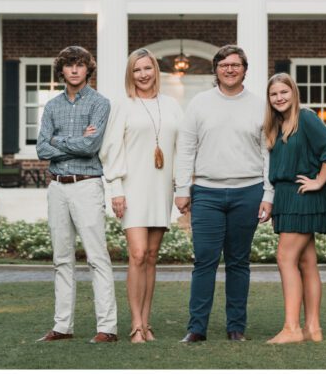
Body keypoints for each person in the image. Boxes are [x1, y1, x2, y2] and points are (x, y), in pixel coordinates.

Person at [173, 44, 273, 343]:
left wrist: (269, 194)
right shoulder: (200, 103)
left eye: (236, 64)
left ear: (244, 69)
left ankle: (236, 328)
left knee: (238, 262)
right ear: (215, 70)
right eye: (224, 65)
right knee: (204, 260)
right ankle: (196, 328)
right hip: (207, 192)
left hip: (248, 191)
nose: (230, 69)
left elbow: (268, 152)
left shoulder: (259, 105)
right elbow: (186, 147)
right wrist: (181, 188)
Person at [35, 45, 118, 344]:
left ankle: (107, 328)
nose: (74, 70)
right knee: (61, 259)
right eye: (69, 65)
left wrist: (59, 140)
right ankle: (62, 326)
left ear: (87, 69)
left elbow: (90, 147)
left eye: (79, 65)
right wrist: (73, 139)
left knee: (97, 257)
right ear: (61, 71)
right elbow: (41, 148)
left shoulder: (100, 103)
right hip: (57, 186)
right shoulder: (52, 106)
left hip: (87, 184)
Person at [100, 48, 183, 343]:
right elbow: (111, 150)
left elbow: (181, 149)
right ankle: (135, 324)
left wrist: (182, 187)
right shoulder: (123, 106)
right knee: (136, 255)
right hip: (132, 188)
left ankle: (147, 324)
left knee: (150, 256)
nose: (143, 74)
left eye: (148, 68)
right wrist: (116, 190)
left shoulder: (172, 105)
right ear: (130, 74)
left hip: (160, 188)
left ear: (155, 71)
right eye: (137, 70)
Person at [262, 72, 326, 344]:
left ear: (293, 93)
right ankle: (313, 328)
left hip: (302, 196)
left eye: (284, 92)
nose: (279, 98)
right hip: (288, 198)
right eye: (274, 94)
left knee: (285, 259)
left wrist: (319, 181)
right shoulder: (278, 125)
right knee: (306, 262)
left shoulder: (306, 118)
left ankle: (291, 329)